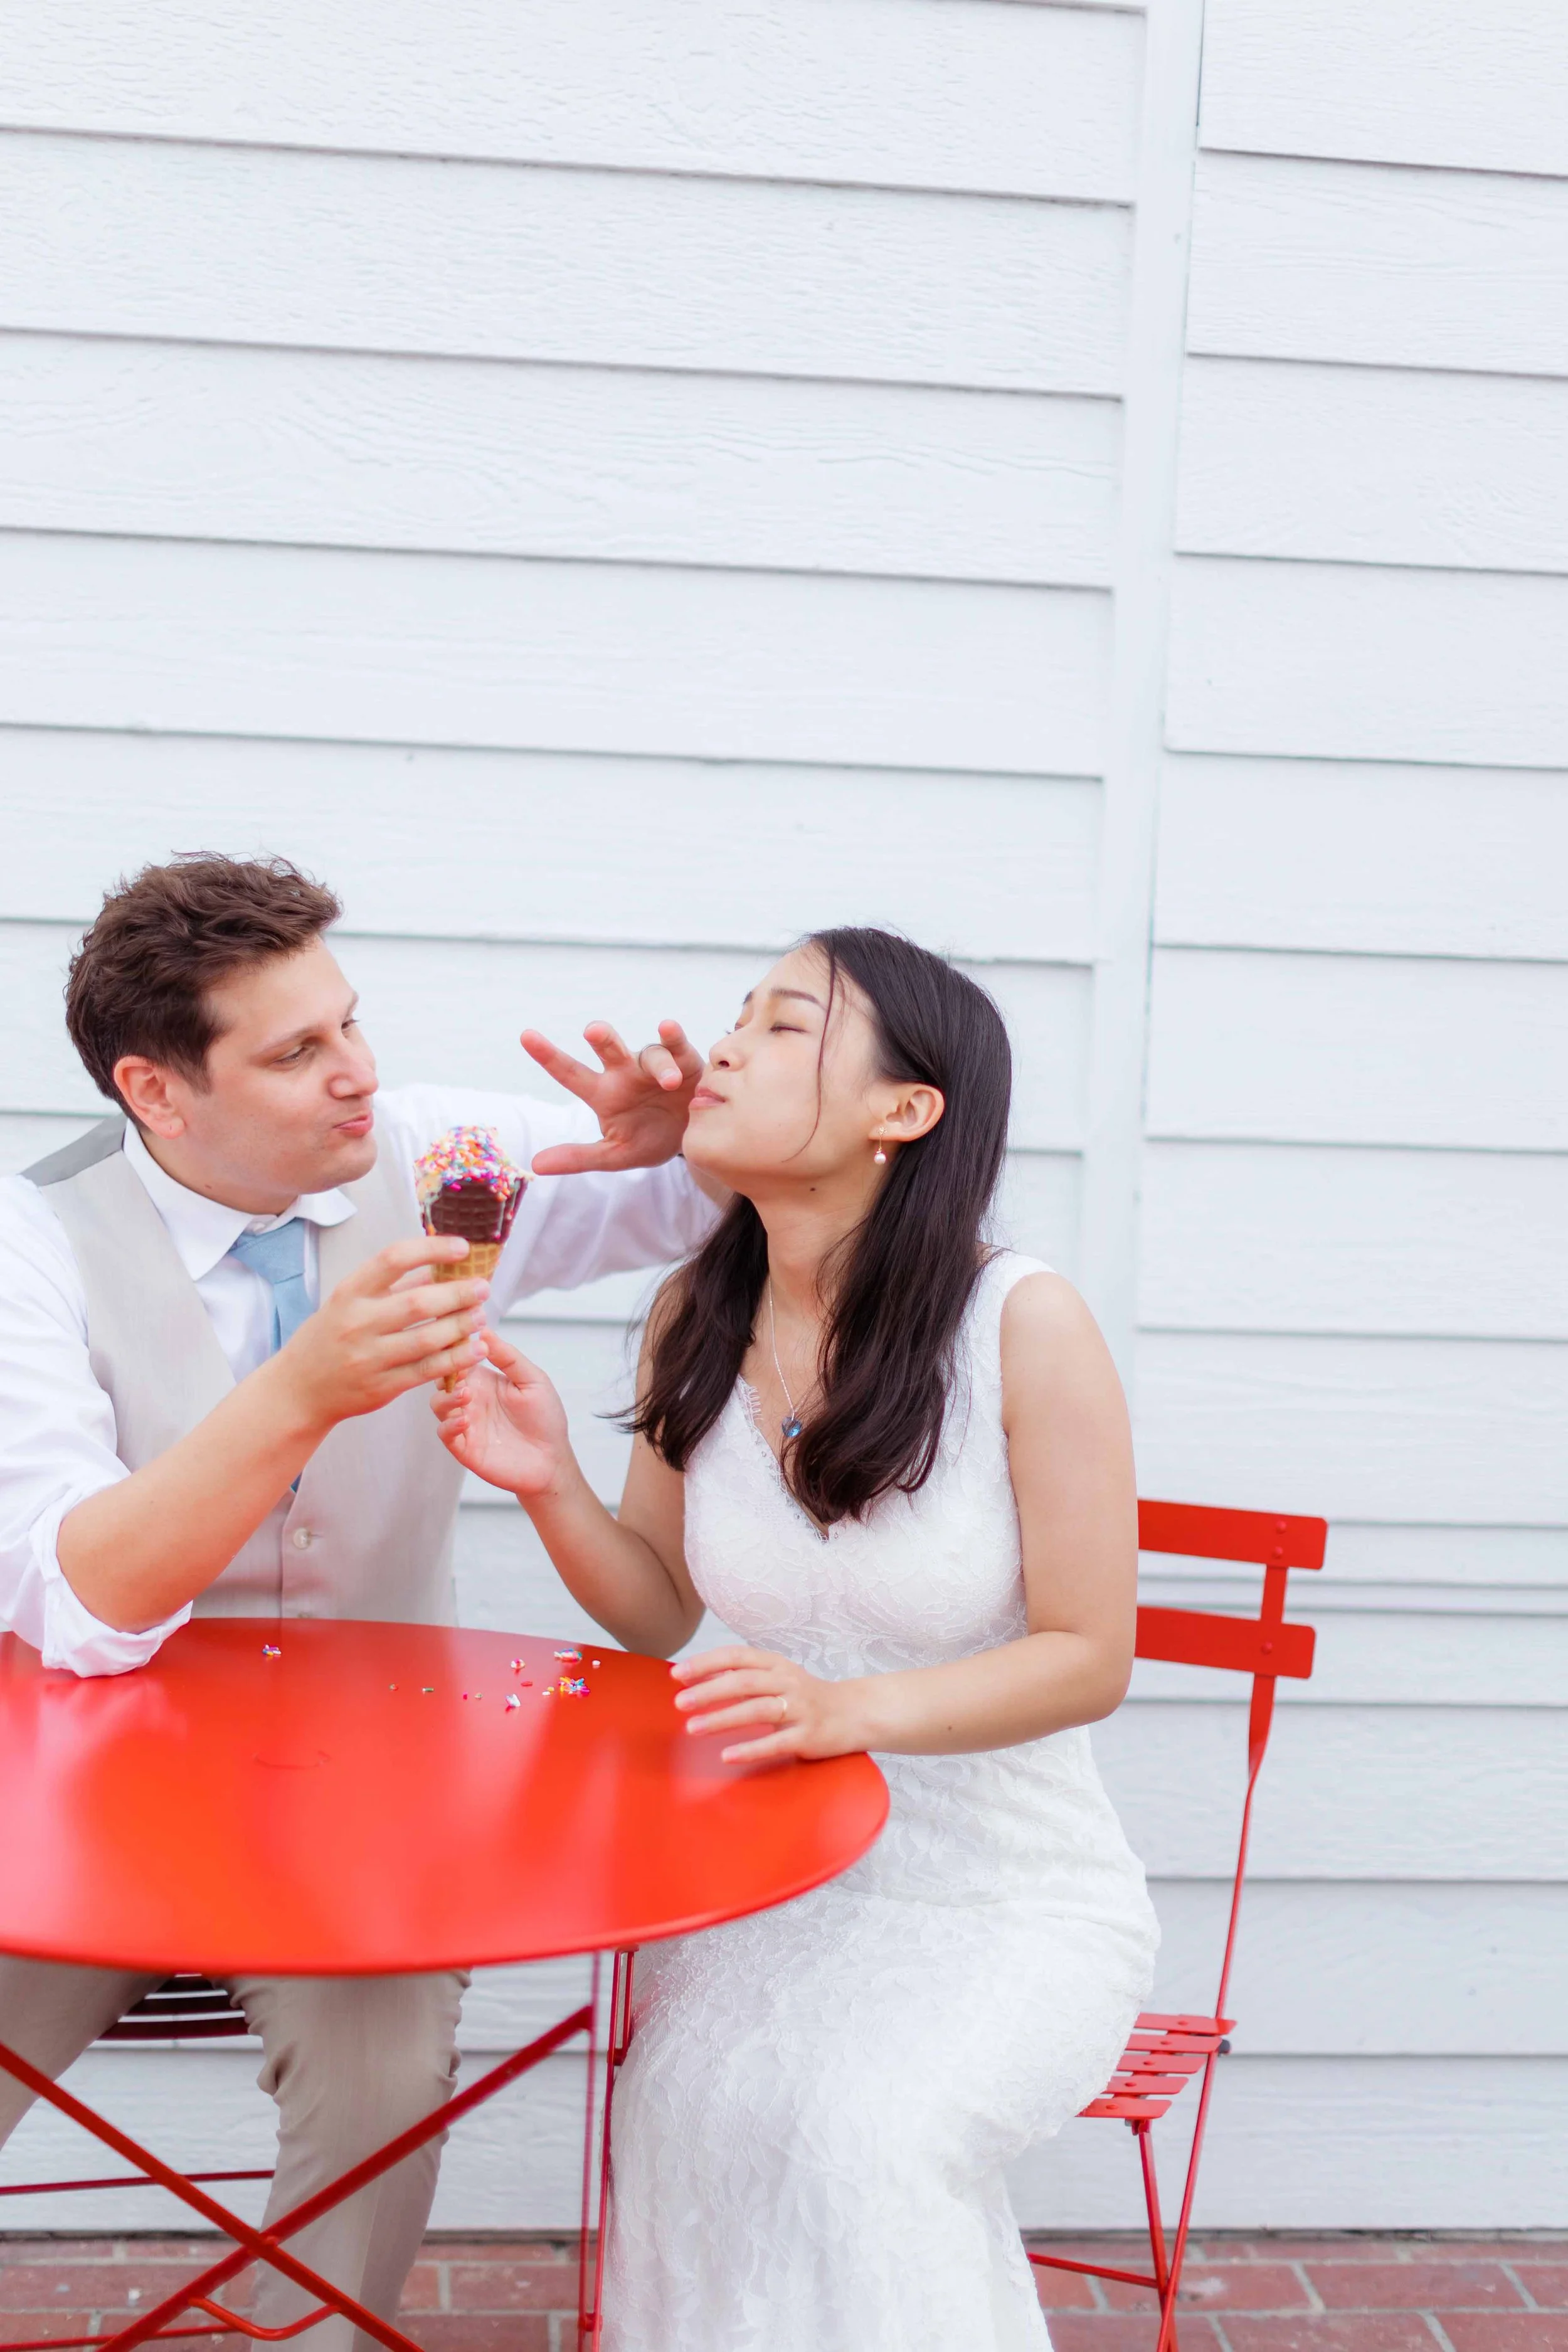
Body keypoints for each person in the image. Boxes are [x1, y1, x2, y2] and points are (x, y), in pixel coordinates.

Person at [0, 853, 721, 2351]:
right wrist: (298, 1392)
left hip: (367, 1792)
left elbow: (705, 1204)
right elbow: (78, 1602)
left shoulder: (444, 1156)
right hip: (80, 1784)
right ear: (155, 1091)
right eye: (297, 1052)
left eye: (351, 1024)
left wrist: (693, 1151)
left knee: (387, 2086)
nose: (359, 1078)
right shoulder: (32, 1245)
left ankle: (303, 2339)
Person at [435, 924, 1160, 2352]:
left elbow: (1090, 1655)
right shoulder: (691, 1312)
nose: (723, 1049)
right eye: (737, 1016)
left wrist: (851, 1714)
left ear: (904, 1111)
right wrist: (545, 1487)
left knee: (867, 2141)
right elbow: (657, 1602)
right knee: (687, 2128)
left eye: (783, 1025)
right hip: (768, 1887)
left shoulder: (1023, 1322)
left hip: (1003, 1899)